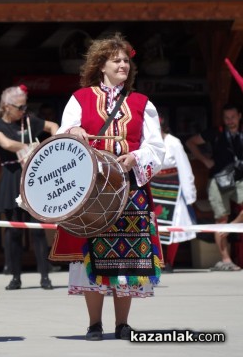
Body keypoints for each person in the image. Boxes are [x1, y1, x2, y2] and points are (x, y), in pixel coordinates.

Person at [49, 33, 165, 341]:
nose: (123, 65)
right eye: (117, 60)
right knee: (92, 255)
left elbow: (157, 148)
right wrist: (74, 130)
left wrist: (136, 156)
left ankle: (123, 323)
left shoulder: (142, 103)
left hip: (129, 189)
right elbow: (62, 137)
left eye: (127, 60)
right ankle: (94, 324)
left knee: (128, 257)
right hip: (93, 190)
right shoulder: (80, 99)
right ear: (102, 65)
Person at [0, 84, 59, 290]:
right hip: (12, 177)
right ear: (7, 106)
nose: (23, 111)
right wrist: (30, 147)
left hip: (33, 178)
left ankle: (45, 275)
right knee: (13, 231)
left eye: (24, 107)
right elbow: (7, 144)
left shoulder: (29, 121)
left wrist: (52, 145)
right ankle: (15, 276)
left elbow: (52, 126)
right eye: (19, 107)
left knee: (37, 229)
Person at [186, 103, 243, 271]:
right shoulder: (216, 132)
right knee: (221, 219)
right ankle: (226, 260)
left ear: (239, 116)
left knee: (228, 222)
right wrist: (205, 161)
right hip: (218, 179)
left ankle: (232, 226)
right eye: (227, 118)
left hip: (240, 178)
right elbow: (191, 142)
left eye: (233, 117)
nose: (230, 121)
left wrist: (234, 225)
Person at [150, 113, 197, 272]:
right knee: (153, 224)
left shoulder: (174, 143)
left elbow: (184, 168)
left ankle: (169, 261)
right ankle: (157, 260)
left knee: (174, 224)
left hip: (172, 187)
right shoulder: (148, 143)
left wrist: (189, 194)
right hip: (153, 185)